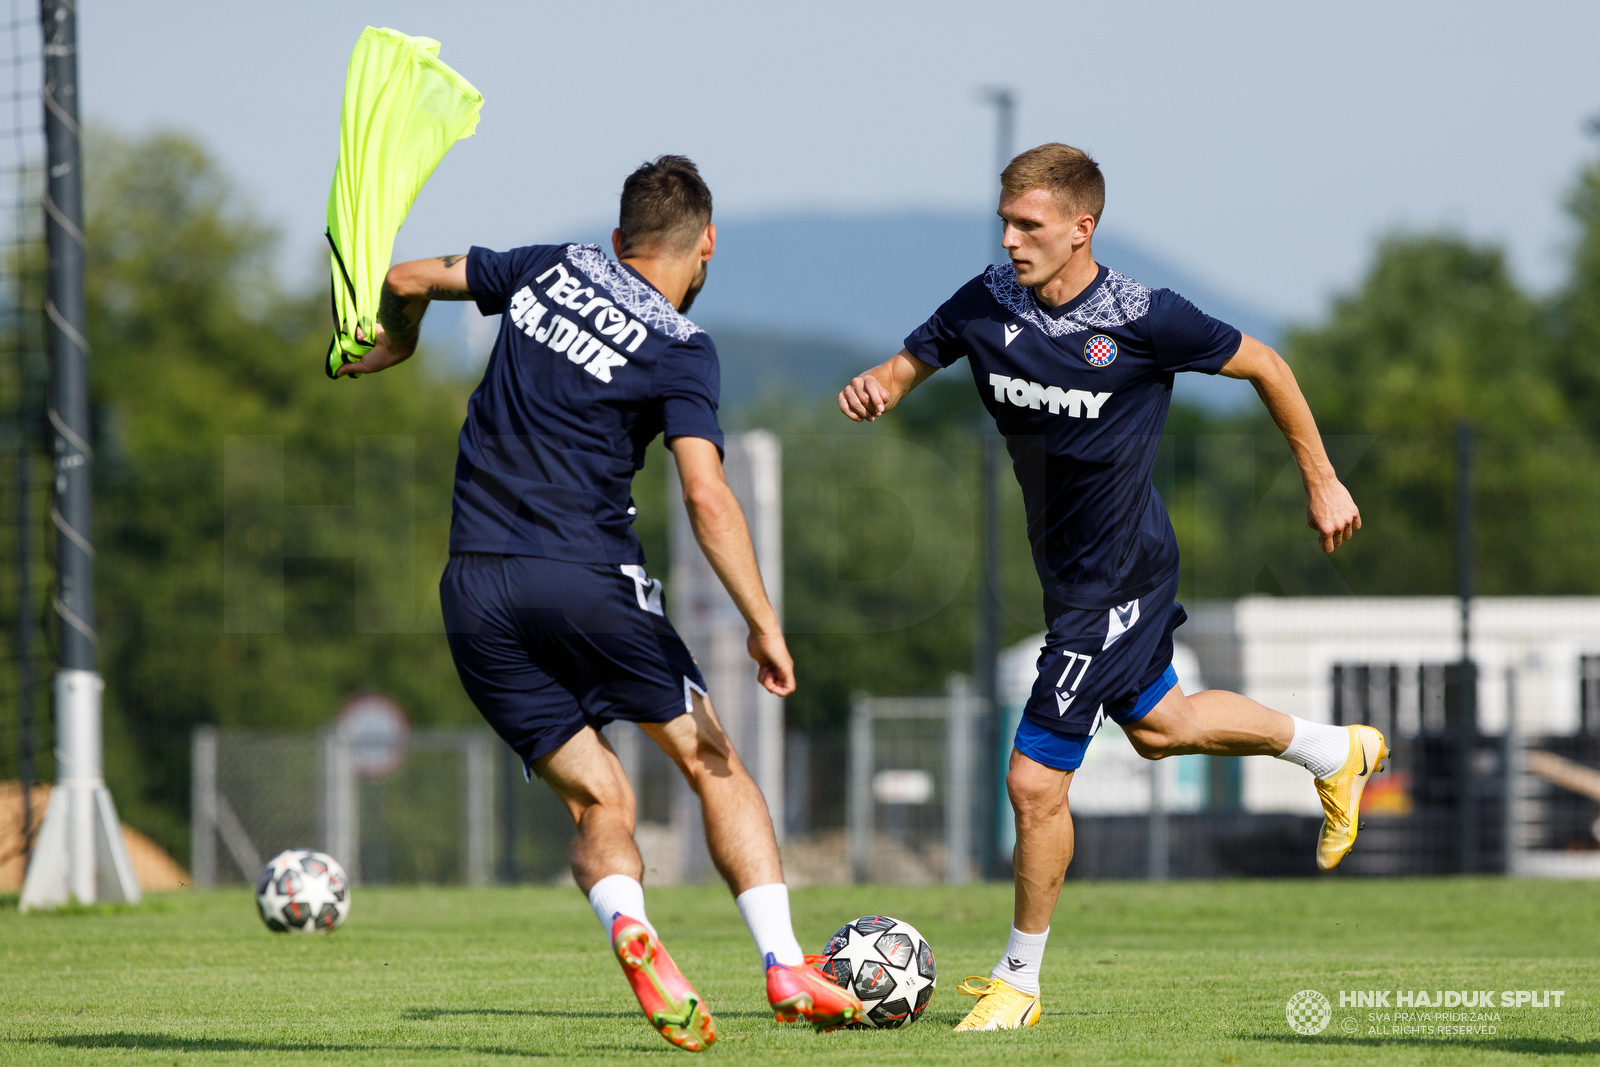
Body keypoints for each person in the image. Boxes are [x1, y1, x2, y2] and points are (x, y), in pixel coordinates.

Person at [836, 143, 1385, 1033]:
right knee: (1163, 730)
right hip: (1071, 577)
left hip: (1118, 576)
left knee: (1032, 782)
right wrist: (878, 388)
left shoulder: (1145, 317)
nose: (1011, 240)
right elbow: (906, 366)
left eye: (1031, 225)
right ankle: (1337, 751)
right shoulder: (985, 301)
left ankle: (1018, 982)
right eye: (1006, 221)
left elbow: (1268, 366)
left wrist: (1323, 480)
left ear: (1082, 228)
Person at [340, 155, 863, 1051]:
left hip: (473, 592)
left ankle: (629, 921)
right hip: (586, 581)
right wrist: (763, 621)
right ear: (704, 247)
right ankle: (783, 964)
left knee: (600, 805)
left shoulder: (551, 266)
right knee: (714, 763)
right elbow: (705, 496)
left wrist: (400, 338)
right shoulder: (681, 347)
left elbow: (404, 277)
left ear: (620, 240)